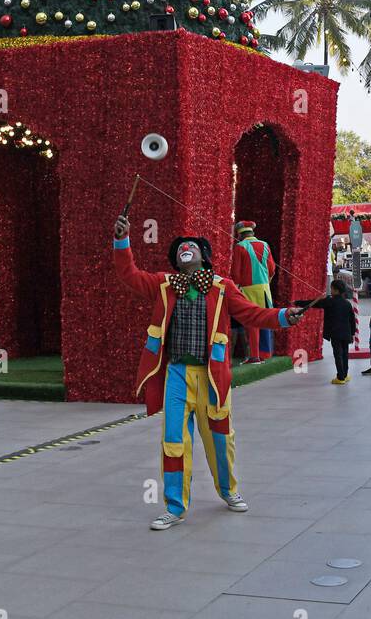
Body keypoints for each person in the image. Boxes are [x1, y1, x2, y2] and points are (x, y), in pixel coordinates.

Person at [112, 213, 304, 531]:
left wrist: (284, 316)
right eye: (181, 247)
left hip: (213, 378)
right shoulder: (163, 285)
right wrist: (122, 239)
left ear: (204, 256)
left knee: (220, 439)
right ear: (176, 259)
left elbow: (254, 314)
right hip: (176, 376)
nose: (186, 247)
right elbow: (128, 274)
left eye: (192, 245)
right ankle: (174, 507)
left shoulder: (223, 287)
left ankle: (228, 491)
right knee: (173, 441)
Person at [230, 219, 276, 363]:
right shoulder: (265, 245)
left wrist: (236, 288)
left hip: (247, 288)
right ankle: (265, 354)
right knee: (265, 319)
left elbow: (236, 273)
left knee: (252, 322)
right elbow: (272, 269)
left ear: (240, 235)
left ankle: (254, 356)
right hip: (264, 288)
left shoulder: (240, 246)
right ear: (252, 232)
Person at [303, 279, 357, 384]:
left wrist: (298, 303)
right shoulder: (347, 303)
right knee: (345, 354)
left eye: (331, 288)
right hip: (346, 333)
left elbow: (313, 304)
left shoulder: (329, 302)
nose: (330, 290)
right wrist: (353, 333)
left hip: (335, 333)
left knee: (338, 355)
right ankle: (345, 375)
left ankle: (340, 377)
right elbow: (352, 320)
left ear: (336, 290)